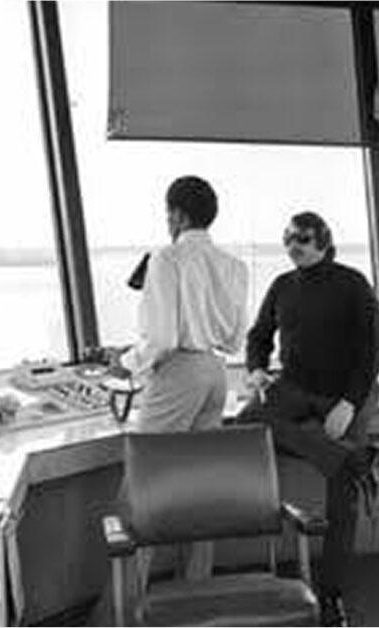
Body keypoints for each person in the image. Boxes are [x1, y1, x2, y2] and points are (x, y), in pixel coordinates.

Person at [238, 211, 379, 626]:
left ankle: (332, 593)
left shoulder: (353, 284)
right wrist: (254, 369)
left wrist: (350, 404)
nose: (293, 245)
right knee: (244, 426)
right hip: (295, 389)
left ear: (324, 240)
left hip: (344, 394)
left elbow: (371, 351)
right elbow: (258, 336)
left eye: (301, 238)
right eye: (287, 238)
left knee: (342, 491)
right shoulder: (282, 286)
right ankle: (348, 458)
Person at [112, 175, 248, 584]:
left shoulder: (166, 259)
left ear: (177, 214)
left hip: (179, 374)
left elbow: (163, 338)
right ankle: (195, 590)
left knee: (142, 485)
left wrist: (127, 362)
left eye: (167, 212)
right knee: (197, 487)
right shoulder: (233, 265)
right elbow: (235, 337)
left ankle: (124, 604)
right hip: (214, 373)